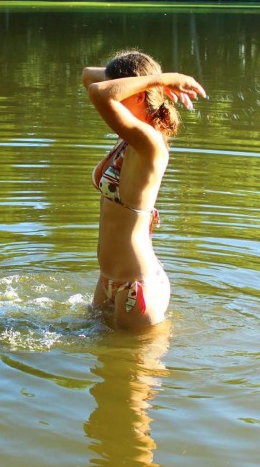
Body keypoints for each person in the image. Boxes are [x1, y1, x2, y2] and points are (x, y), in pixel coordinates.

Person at [82, 49, 206, 329]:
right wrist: (154, 81)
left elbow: (99, 92)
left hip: (135, 288)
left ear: (138, 96)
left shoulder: (149, 142)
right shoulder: (129, 134)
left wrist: (162, 78)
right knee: (103, 365)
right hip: (108, 280)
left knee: (139, 371)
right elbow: (90, 77)